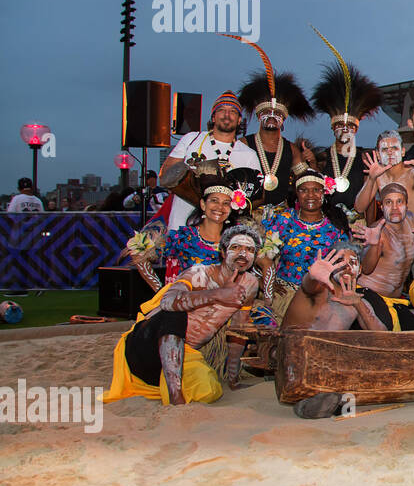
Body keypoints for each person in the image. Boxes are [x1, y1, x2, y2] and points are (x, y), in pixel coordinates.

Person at [104, 223, 262, 406]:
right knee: (175, 312)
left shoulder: (250, 285)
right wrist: (218, 294)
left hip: (183, 356)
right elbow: (167, 302)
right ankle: (175, 396)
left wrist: (233, 378)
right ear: (223, 252)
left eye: (249, 250)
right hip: (145, 348)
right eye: (236, 247)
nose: (243, 254)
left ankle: (173, 386)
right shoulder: (199, 274)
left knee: (209, 391)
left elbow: (238, 330)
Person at [158, 92, 259, 231]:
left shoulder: (249, 154)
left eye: (233, 112)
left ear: (239, 119)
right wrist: (195, 173)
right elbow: (165, 175)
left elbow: (253, 197)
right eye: (221, 110)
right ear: (213, 116)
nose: (227, 115)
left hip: (222, 230)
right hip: (181, 224)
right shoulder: (191, 139)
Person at [259, 169, 348, 323]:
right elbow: (261, 254)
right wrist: (264, 280)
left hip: (319, 299)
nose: (310, 195)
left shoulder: (335, 225)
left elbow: (344, 264)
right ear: (297, 194)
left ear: (324, 192)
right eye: (304, 190)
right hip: (283, 296)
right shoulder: (283, 219)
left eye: (316, 190)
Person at [353, 182, 414, 329]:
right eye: (389, 202)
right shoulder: (376, 231)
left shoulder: (412, 221)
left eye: (399, 202)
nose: (395, 208)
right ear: (382, 207)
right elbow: (366, 270)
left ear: (406, 205)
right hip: (368, 296)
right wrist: (375, 244)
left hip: (396, 300)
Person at [234, 50, 315, 207]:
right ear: (258, 116)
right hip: (249, 211)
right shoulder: (243, 144)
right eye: (266, 112)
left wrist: (312, 163)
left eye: (277, 113)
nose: (271, 116)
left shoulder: (291, 149)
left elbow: (306, 179)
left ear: (283, 119)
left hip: (281, 216)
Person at [309, 55, 384, 211]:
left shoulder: (365, 159)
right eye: (339, 125)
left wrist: (370, 229)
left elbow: (369, 199)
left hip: (356, 223)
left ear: (356, 129)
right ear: (332, 127)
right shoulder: (321, 157)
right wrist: (311, 165)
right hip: (328, 224)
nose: (344, 129)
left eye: (349, 126)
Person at [282, 242, 391, 332]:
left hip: (323, 356)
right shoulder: (319, 289)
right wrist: (311, 276)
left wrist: (359, 305)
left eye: (352, 262)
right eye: (340, 262)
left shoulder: (357, 301)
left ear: (360, 270)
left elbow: (383, 337)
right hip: (289, 351)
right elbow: (308, 287)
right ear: (331, 266)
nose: (347, 267)